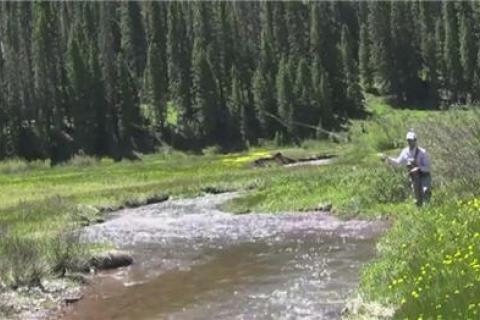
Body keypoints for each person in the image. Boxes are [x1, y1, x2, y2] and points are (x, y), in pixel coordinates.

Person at [381, 130, 432, 206]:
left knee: (425, 191)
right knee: (417, 197)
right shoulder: (405, 152)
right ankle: (419, 213)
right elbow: (398, 163)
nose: (410, 142)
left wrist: (418, 168)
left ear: (415, 140)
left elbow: (428, 167)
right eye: (408, 140)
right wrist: (388, 159)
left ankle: (427, 210)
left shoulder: (422, 152)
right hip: (414, 177)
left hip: (424, 175)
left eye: (411, 140)